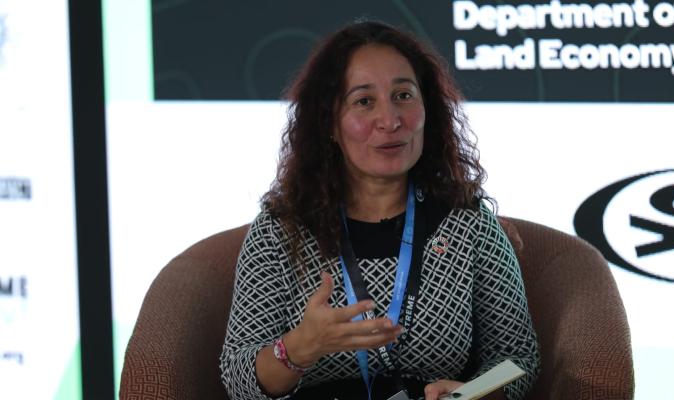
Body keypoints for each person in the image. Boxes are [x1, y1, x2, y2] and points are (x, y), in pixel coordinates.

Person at [220, 20, 540, 400]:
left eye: (404, 95)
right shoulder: (280, 231)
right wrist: (300, 347)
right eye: (364, 101)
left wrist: (474, 394)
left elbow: (518, 356)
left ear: (428, 109)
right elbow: (239, 380)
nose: (390, 121)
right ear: (329, 123)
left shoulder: (466, 222)